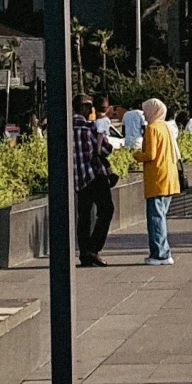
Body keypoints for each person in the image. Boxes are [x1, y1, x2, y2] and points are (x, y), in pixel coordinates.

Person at [72, 94, 115, 267]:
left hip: (77, 178)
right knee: (106, 210)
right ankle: (93, 249)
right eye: (89, 106)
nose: (92, 109)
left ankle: (84, 253)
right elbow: (106, 148)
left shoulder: (66, 127)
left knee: (84, 216)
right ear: (82, 108)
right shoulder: (89, 127)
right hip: (94, 175)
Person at [140, 96, 178, 264]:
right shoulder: (165, 127)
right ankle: (162, 251)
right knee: (161, 216)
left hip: (156, 177)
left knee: (155, 218)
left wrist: (135, 155)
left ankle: (160, 254)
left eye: (145, 110)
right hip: (169, 176)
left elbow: (150, 154)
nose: (143, 114)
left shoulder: (152, 129)